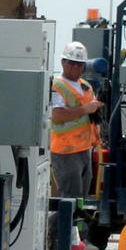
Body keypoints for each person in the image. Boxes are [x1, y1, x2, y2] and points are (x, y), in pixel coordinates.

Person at [49, 40, 103, 199]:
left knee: (81, 200)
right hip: (66, 151)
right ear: (63, 62)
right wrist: (85, 109)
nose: (76, 67)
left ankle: (75, 224)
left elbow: (89, 115)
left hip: (84, 149)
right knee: (69, 198)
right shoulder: (57, 85)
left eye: (80, 64)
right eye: (72, 63)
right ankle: (58, 225)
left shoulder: (86, 86)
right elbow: (57, 115)